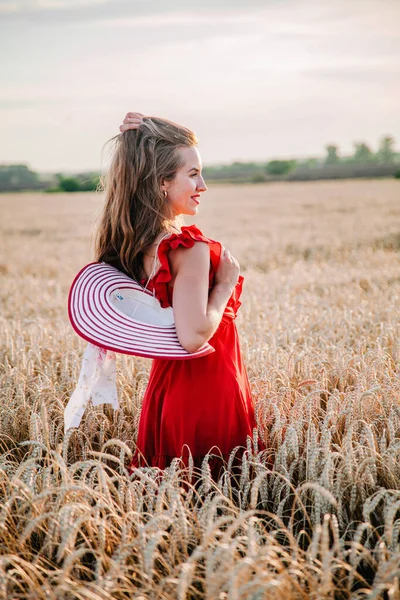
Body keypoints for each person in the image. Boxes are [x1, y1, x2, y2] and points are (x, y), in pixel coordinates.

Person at [94, 111, 265, 483]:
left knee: (172, 503)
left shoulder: (136, 245)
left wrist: (146, 131)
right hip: (207, 389)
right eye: (192, 174)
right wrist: (224, 284)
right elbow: (192, 337)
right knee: (222, 501)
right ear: (161, 184)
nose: (203, 185)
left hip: (166, 391)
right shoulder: (189, 248)